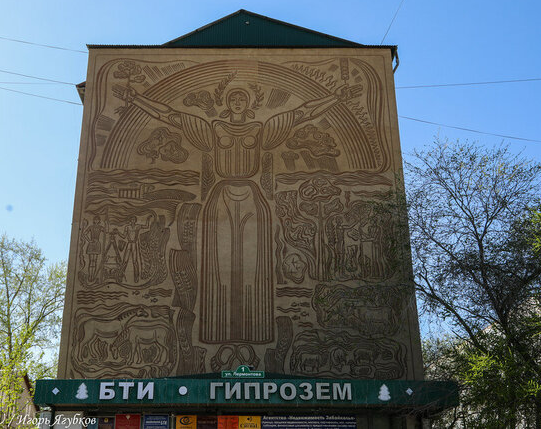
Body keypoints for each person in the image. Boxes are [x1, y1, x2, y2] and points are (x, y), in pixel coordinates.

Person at [112, 82, 362, 343]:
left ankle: (257, 332)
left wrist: (335, 97)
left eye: (242, 99)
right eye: (234, 99)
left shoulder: (261, 129)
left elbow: (302, 113)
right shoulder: (213, 129)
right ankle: (216, 331)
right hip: (220, 198)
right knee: (218, 265)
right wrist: (136, 98)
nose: (238, 102)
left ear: (249, 104)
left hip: (253, 198)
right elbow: (169, 115)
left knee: (255, 265)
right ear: (227, 104)